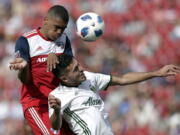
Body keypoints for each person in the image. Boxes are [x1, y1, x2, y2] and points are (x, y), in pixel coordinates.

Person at [48, 54, 180, 135]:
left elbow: (123, 79)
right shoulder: (57, 96)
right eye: (76, 69)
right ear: (65, 78)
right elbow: (55, 126)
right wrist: (57, 110)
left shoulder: (89, 78)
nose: (81, 69)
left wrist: (156, 73)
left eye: (78, 65)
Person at [9, 5, 74, 135]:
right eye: (56, 27)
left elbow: (70, 71)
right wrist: (24, 68)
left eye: (63, 28)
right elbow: (25, 80)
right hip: (37, 103)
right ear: (46, 20)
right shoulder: (26, 41)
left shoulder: (64, 40)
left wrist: (56, 57)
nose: (59, 32)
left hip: (60, 102)